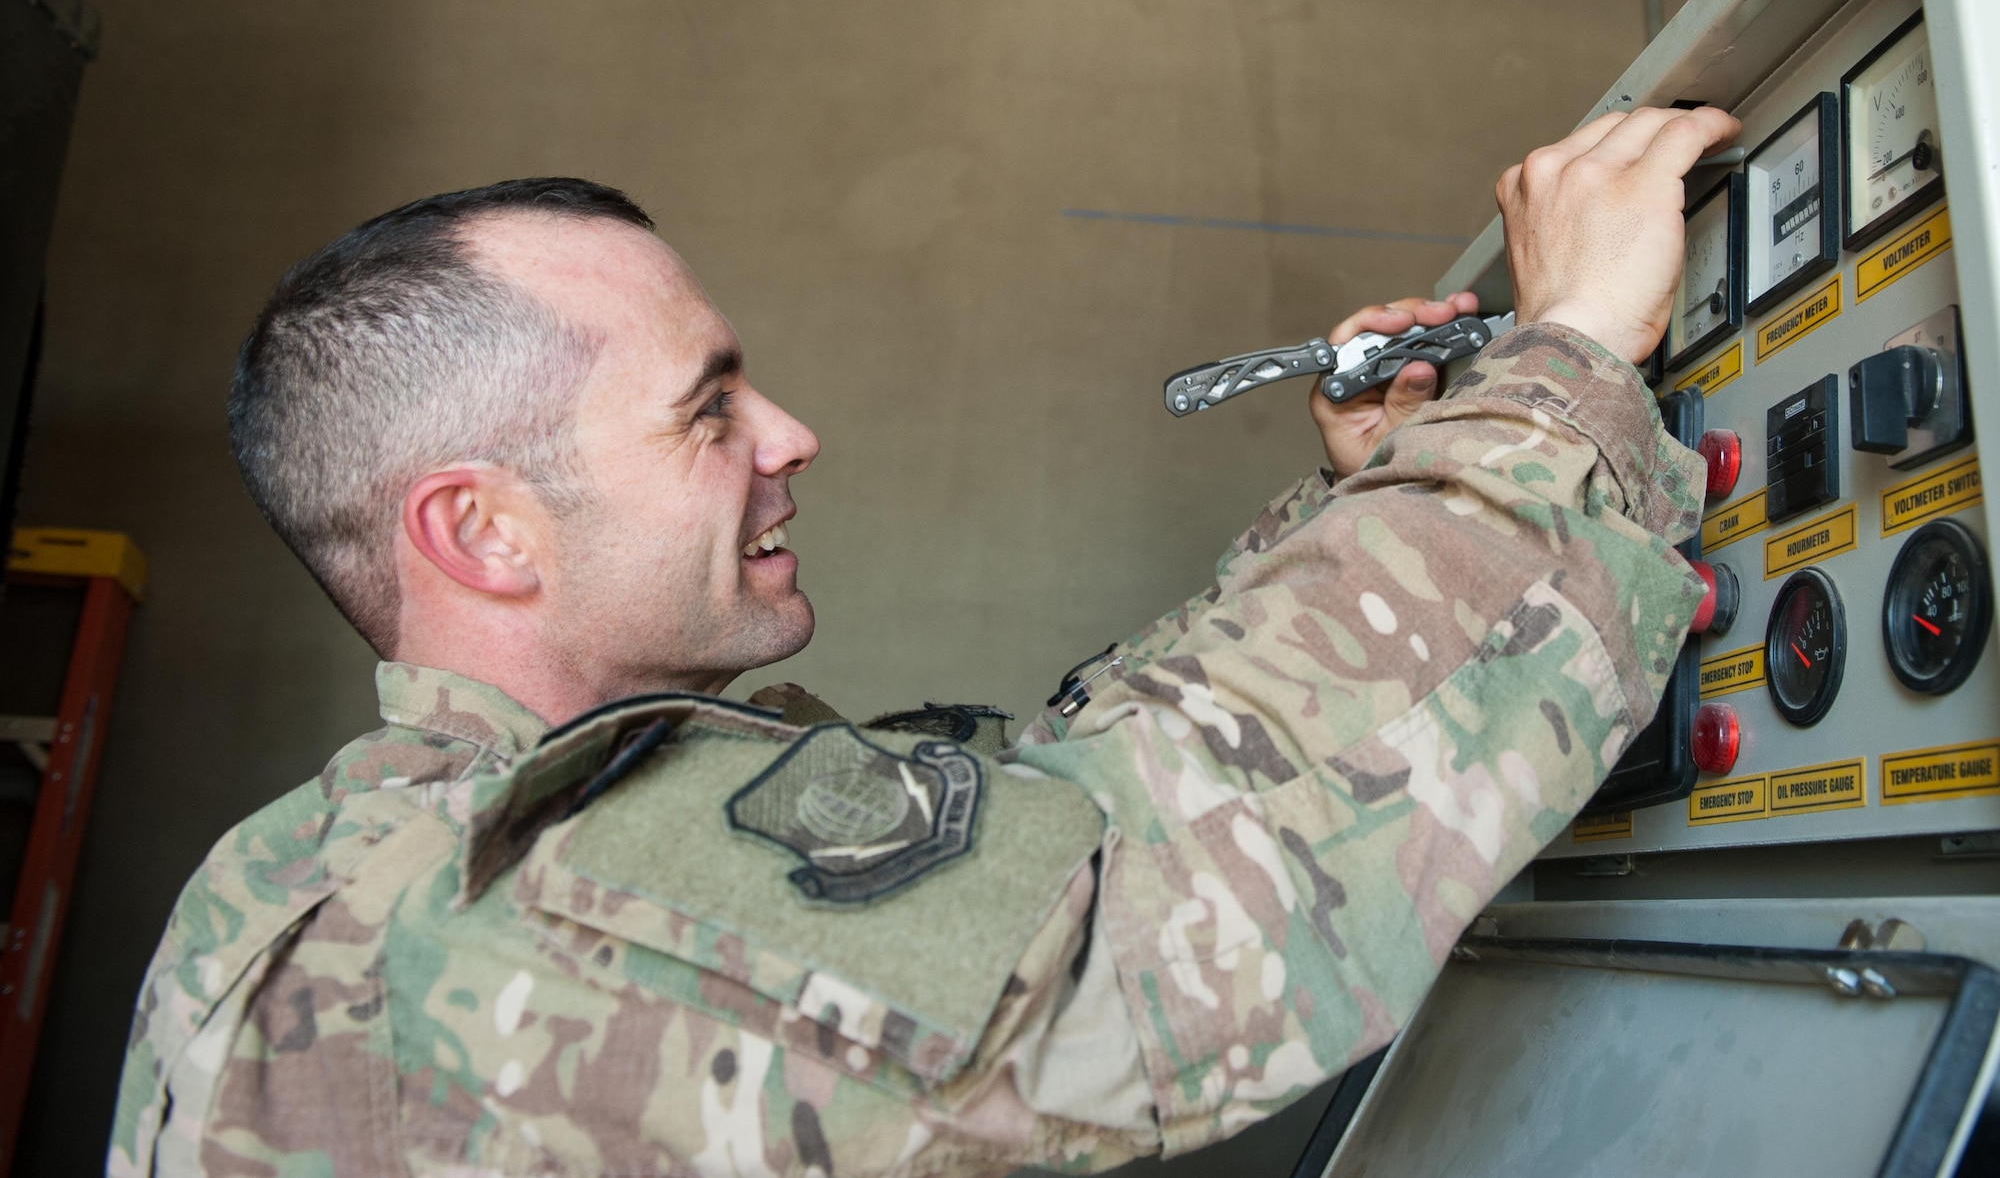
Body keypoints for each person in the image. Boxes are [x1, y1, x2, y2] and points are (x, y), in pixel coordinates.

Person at [110, 105, 1736, 1176]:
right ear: (482, 532)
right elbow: (1158, 899)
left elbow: (1041, 813)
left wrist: (1358, 505)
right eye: (708, 411)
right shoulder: (507, 906)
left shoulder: (331, 860)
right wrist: (1565, 362)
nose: (791, 434)